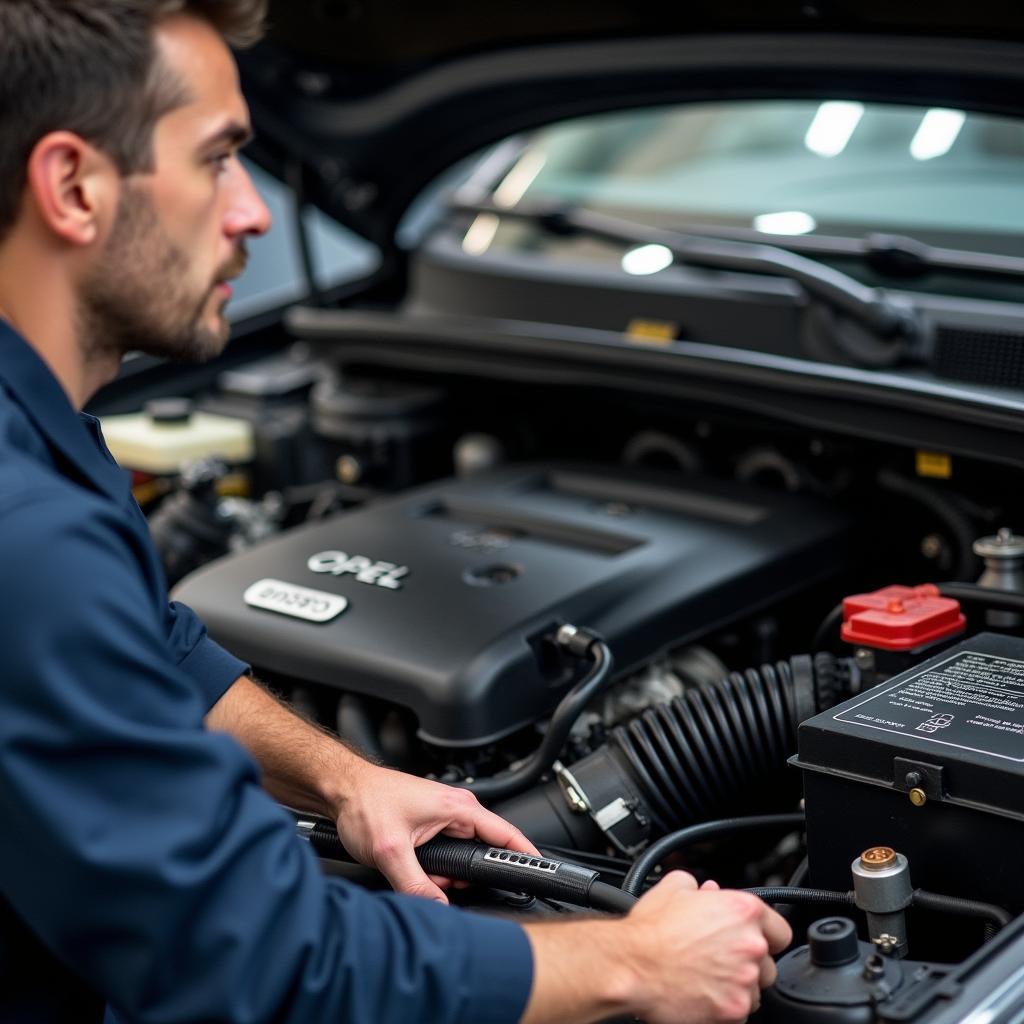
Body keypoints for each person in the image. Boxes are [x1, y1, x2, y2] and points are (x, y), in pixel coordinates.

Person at [0, 2, 792, 1022]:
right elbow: (264, 965)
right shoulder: (29, 534)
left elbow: (147, 645)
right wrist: (635, 961)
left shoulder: (40, 441)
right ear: (73, 186)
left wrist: (341, 777)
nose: (251, 212)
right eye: (217, 160)